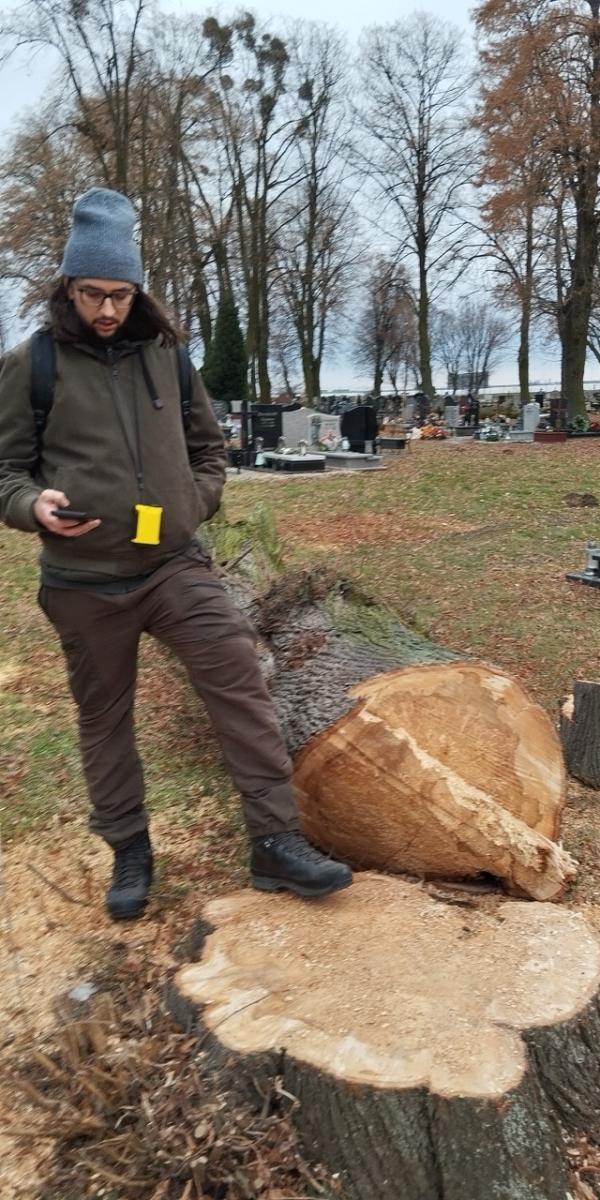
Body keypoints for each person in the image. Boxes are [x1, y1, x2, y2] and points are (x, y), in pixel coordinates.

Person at [0, 188, 352, 920]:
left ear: (137, 290)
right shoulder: (30, 364)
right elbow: (4, 472)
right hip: (82, 581)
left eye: (120, 294)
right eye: (92, 293)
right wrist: (30, 506)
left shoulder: (166, 355)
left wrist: (194, 502)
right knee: (104, 720)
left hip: (172, 567)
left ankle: (275, 842)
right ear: (68, 286)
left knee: (238, 679)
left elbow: (207, 448)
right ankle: (130, 849)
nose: (105, 310)